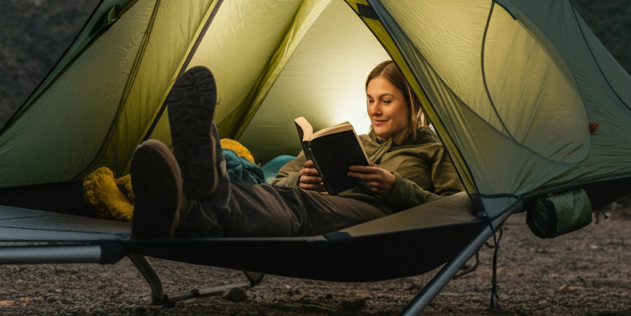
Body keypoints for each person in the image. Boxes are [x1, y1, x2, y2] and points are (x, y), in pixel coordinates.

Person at [130, 61, 463, 239]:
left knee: (299, 206)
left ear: (412, 102)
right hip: (313, 202)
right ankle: (187, 204)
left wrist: (395, 188)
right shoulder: (351, 143)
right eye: (370, 99)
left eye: (386, 101)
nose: (375, 109)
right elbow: (279, 182)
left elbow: (454, 212)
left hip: (377, 220)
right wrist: (299, 181)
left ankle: (196, 192)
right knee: (285, 194)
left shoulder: (435, 151)